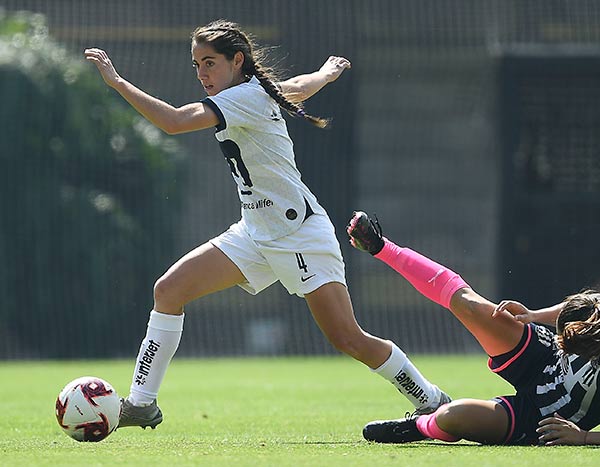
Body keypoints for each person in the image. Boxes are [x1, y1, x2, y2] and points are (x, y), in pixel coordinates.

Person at [84, 20, 450, 429]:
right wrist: (325, 75)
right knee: (168, 290)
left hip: (299, 236)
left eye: (209, 63)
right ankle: (141, 403)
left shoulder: (242, 97)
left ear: (236, 60)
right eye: (196, 65)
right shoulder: (255, 92)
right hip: (255, 232)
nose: (202, 73)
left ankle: (431, 398)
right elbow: (293, 88)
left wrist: (117, 82)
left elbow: (174, 121)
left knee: (348, 338)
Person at [346, 211, 600, 446]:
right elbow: (566, 311)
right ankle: (382, 247)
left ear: (593, 351)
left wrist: (582, 438)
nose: (563, 344)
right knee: (470, 305)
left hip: (546, 414)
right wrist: (533, 315)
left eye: (570, 345)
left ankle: (421, 426)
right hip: (542, 358)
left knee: (453, 417)